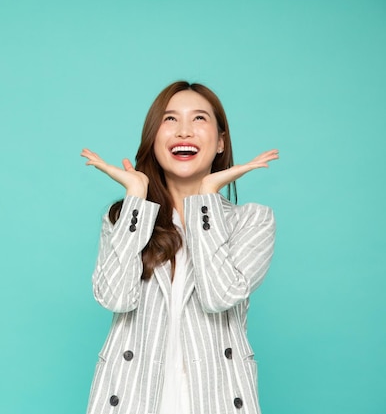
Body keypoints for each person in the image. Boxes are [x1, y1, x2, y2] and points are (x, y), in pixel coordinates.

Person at [80, 81, 278, 414]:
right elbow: (114, 297)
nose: (184, 131)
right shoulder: (124, 218)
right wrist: (135, 200)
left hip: (216, 400)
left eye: (199, 119)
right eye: (170, 119)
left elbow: (219, 296)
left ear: (220, 142)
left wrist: (204, 199)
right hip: (132, 399)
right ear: (153, 138)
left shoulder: (252, 221)